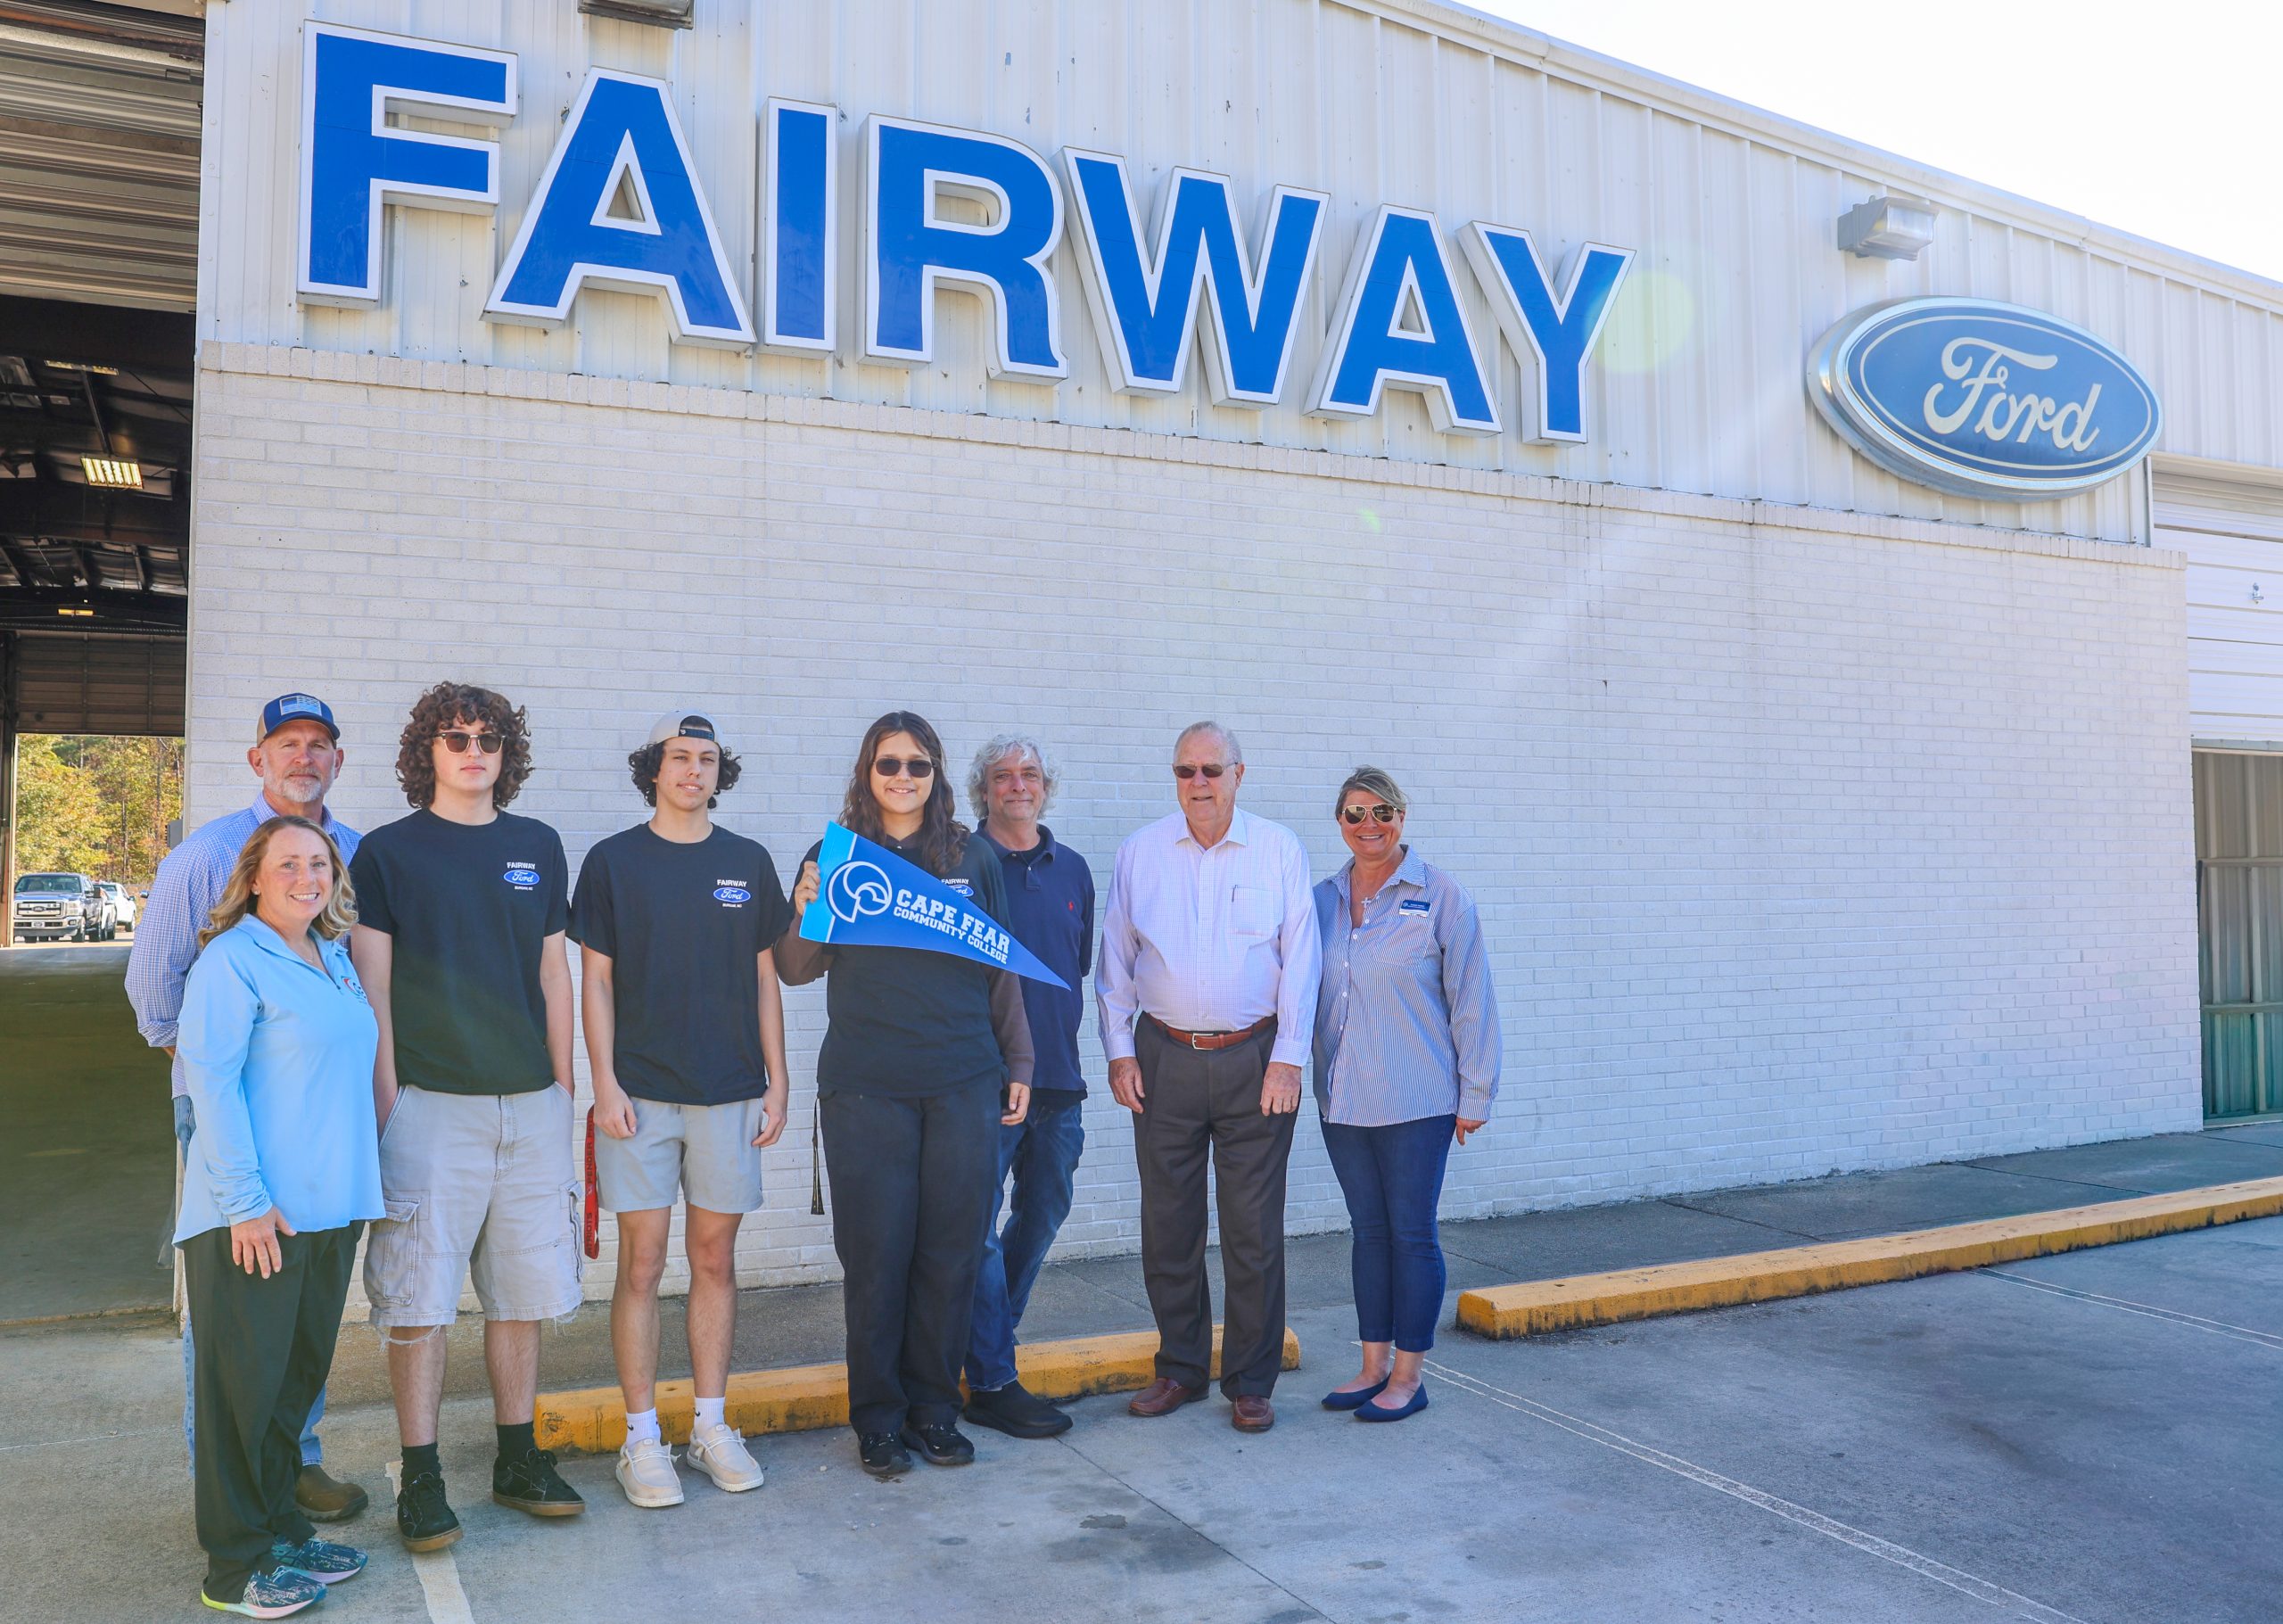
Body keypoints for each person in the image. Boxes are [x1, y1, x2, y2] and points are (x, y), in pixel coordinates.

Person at [350, 682, 582, 1553]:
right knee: (418, 1302)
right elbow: (373, 989)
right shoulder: (386, 853)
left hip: (530, 1105)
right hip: (430, 1107)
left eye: (488, 738)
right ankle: (421, 1476)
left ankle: (517, 1460)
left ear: (505, 752)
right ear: (428, 752)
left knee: (519, 1294)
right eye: (455, 737)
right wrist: (390, 1105)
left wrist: (563, 1087)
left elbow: (553, 976)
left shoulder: (537, 845)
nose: (473, 749)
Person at [126, 692, 367, 1522]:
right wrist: (237, 1076)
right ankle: (229, 1493)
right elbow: (155, 999)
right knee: (236, 1325)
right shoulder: (205, 855)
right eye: (287, 742)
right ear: (257, 757)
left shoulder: (354, 851)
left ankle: (290, 1469)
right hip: (228, 1117)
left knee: (296, 1321)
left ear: (338, 761)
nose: (304, 756)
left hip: (322, 1131)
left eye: (320, 744)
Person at [777, 711, 1034, 1479]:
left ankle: (934, 1410)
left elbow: (1002, 969)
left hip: (961, 1081)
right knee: (877, 1258)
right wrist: (804, 904)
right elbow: (794, 967)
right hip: (866, 1089)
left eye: (917, 765)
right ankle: (879, 1420)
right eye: (888, 764)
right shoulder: (837, 856)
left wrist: (1018, 1060)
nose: (902, 777)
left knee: (950, 1255)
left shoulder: (971, 856)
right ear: (867, 772)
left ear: (936, 774)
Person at [573, 711, 792, 1508]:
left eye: (706, 758)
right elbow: (594, 980)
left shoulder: (747, 861)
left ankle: (708, 1425)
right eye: (678, 757)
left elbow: (767, 977)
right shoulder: (613, 861)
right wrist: (603, 1080)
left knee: (713, 1260)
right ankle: (641, 1438)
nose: (692, 770)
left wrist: (778, 1076)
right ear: (653, 769)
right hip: (639, 1090)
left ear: (717, 771)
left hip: (730, 1089)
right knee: (640, 1261)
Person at [175, 814, 381, 1617]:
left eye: (319, 862)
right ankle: (234, 1566)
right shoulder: (230, 960)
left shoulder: (332, 955)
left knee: (291, 1388)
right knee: (241, 1397)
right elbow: (211, 1084)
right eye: (289, 862)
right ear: (254, 876)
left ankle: (282, 1530)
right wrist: (246, 1203)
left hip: (328, 1212)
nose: (308, 875)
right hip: (253, 1217)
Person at [1097, 721, 1321, 1433]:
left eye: (1211, 770)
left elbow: (1303, 959)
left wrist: (1289, 1054)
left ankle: (1250, 1380)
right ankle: (1181, 1367)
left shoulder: (1278, 849)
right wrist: (1118, 1051)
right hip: (1162, 1057)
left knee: (1253, 1229)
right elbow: (1114, 965)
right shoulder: (1141, 853)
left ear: (1239, 774)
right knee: (1169, 1225)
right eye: (1186, 771)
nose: (1199, 783)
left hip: (1255, 1061)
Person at [1313, 768, 1500, 1422]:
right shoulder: (1322, 899)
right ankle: (1371, 1365)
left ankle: (1409, 1375)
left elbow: (1471, 998)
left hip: (1418, 1098)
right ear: (1339, 821)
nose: (1370, 825)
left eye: (1383, 812)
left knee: (1411, 1234)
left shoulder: (1440, 893)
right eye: (1355, 813)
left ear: (1402, 815)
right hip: (1342, 1100)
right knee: (1368, 1233)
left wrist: (1476, 1091)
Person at [960, 734, 1094, 1440]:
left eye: (1031, 774)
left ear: (1047, 785)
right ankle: (991, 1377)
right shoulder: (962, 864)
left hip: (1060, 1083)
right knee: (976, 1232)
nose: (1018, 785)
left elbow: (1077, 971)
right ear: (983, 788)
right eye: (1003, 775)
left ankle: (986, 1347)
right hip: (987, 1085)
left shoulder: (1071, 869)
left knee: (1039, 1219)